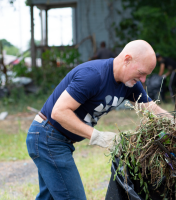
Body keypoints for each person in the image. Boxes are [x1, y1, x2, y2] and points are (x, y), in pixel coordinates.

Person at [26, 40, 168, 200]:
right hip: (47, 137)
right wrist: (98, 137)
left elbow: (152, 109)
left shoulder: (129, 84)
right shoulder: (93, 75)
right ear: (127, 59)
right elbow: (59, 112)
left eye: (146, 75)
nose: (143, 79)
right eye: (141, 73)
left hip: (55, 139)